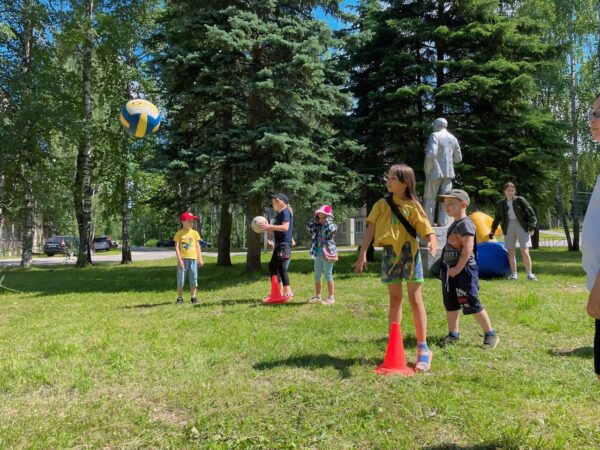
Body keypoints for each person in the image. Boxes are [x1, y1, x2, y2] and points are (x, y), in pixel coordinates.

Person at [354, 164, 437, 372]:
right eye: (388, 178)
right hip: (390, 254)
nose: (388, 182)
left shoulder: (413, 205)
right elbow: (370, 228)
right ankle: (394, 344)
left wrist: (432, 240)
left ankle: (423, 348)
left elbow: (425, 227)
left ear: (405, 183)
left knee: (415, 299)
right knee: (395, 299)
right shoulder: (381, 204)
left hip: (411, 254)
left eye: (392, 178)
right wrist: (363, 252)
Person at [437, 190, 499, 349]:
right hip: (450, 270)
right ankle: (453, 334)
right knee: (450, 302)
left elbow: (467, 249)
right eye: (446, 204)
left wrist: (458, 268)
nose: (447, 207)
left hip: (464, 270)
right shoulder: (455, 223)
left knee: (470, 300)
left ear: (463, 204)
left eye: (451, 204)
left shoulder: (466, 223)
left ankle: (490, 334)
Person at [489, 182, 538, 281]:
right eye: (508, 191)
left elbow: (531, 214)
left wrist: (531, 227)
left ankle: (530, 274)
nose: (511, 192)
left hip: (522, 226)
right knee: (511, 252)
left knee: (525, 251)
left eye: (512, 190)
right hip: (508, 227)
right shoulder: (500, 204)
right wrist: (493, 231)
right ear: (504, 191)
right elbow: (497, 218)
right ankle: (514, 274)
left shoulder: (520, 200)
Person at [423, 118, 462, 226]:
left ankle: (428, 223)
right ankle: (445, 223)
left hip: (434, 171)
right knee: (446, 199)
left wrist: (427, 170)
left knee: (430, 198)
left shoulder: (434, 135)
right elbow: (458, 158)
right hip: (448, 173)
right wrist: (448, 161)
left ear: (437, 125)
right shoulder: (453, 138)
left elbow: (431, 154)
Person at [261, 193, 294, 299]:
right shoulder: (279, 214)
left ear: (280, 202)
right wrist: (266, 228)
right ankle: (277, 292)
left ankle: (287, 292)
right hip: (280, 244)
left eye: (274, 202)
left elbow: (285, 227)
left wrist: (270, 225)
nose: (272, 204)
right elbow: (276, 232)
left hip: (284, 244)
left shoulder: (285, 212)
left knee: (280, 267)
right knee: (273, 267)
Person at [307, 205, 338, 305]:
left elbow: (332, 229)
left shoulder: (331, 225)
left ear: (326, 214)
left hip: (328, 253)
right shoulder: (316, 224)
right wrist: (315, 220)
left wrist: (326, 219)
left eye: (322, 212)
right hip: (317, 253)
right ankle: (318, 296)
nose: (319, 213)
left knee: (328, 274)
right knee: (317, 275)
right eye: (318, 212)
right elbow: (309, 228)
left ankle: (331, 298)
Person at [174, 212, 204, 305]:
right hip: (183, 260)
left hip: (193, 260)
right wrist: (179, 260)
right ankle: (180, 297)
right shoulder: (179, 233)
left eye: (192, 221)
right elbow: (176, 247)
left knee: (193, 279)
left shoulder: (195, 233)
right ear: (182, 222)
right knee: (181, 280)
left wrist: (200, 259)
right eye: (189, 221)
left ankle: (193, 297)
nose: (191, 223)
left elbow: (198, 246)